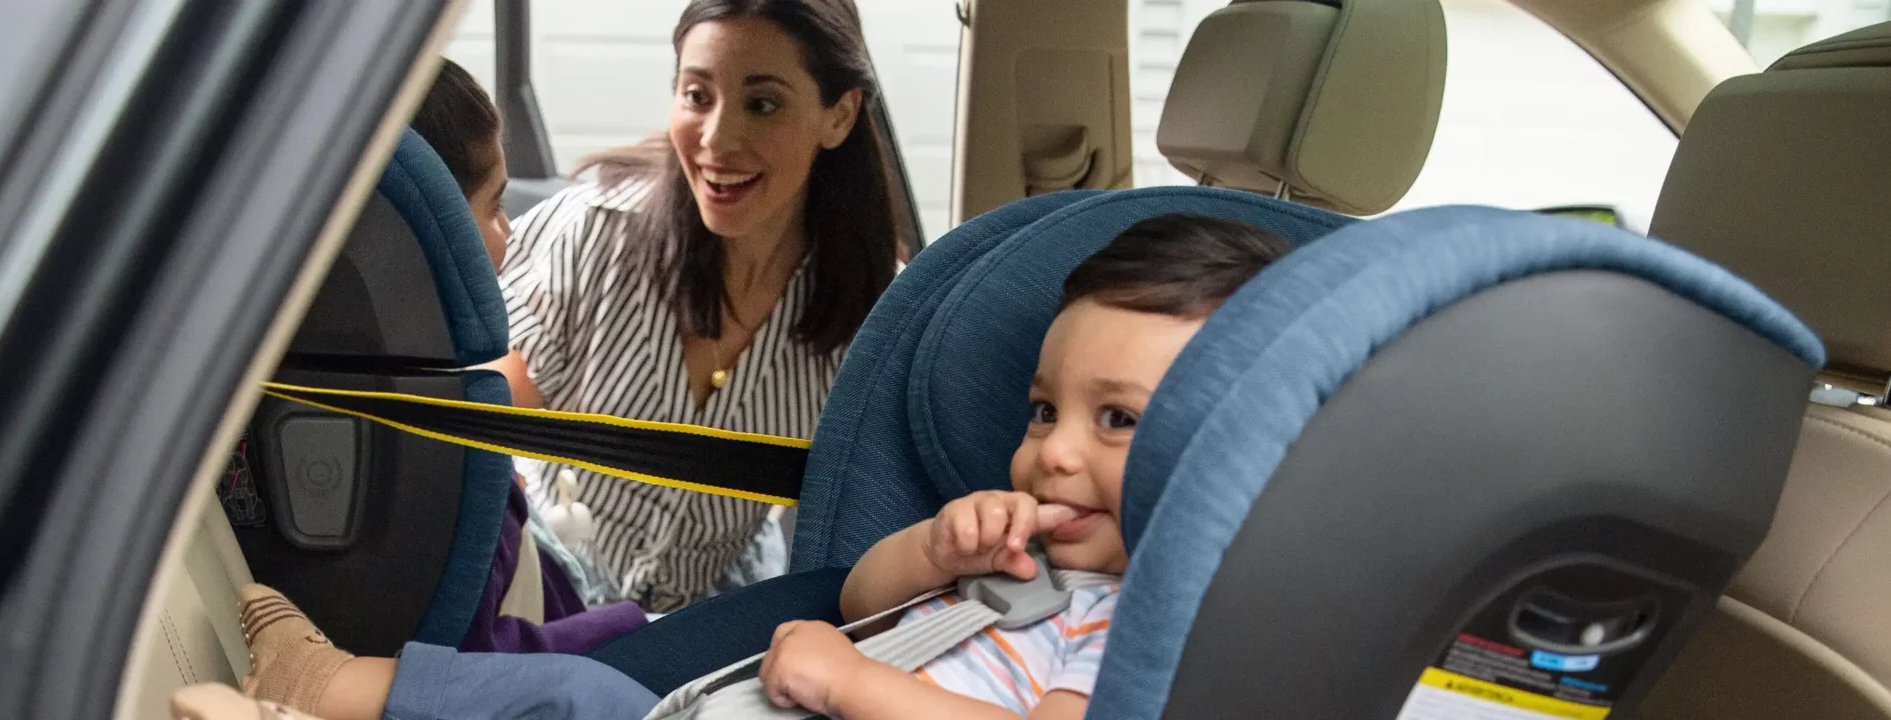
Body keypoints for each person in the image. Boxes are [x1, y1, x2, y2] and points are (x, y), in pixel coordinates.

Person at [174, 214, 1296, 720]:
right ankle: (319, 696)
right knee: (580, 691)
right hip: (757, 698)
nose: (1051, 449)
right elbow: (861, 598)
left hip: (810, 696)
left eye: (1116, 422)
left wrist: (852, 683)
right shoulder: (1018, 543)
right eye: (1043, 407)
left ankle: (320, 696)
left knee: (573, 691)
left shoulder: (1156, 628)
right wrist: (935, 548)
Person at [485, 0, 916, 614]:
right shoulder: (591, 233)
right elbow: (479, 433)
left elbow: (870, 533)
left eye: (762, 104)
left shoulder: (875, 320)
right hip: (547, 596)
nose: (718, 139)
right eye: (697, 95)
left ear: (839, 115)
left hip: (710, 620)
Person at [407, 58, 649, 653]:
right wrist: (633, 628)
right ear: (427, 227)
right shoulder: (440, 447)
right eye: (493, 207)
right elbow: (487, 664)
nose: (510, 232)